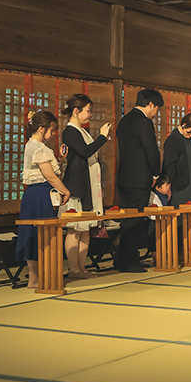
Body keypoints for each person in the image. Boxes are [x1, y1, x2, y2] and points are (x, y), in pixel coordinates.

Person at [59, 94, 111, 279]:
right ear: (76, 111)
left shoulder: (82, 131)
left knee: (86, 228)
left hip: (88, 184)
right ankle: (74, 268)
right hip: (76, 185)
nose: (90, 115)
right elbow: (86, 151)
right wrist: (103, 137)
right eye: (88, 111)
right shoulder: (70, 131)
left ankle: (82, 268)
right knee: (74, 228)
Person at [17, 111, 69, 289]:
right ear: (41, 129)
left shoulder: (31, 145)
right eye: (52, 130)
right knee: (43, 234)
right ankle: (38, 277)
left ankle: (35, 277)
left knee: (33, 234)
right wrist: (66, 191)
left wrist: (59, 160)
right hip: (40, 194)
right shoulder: (39, 148)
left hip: (33, 194)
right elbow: (50, 177)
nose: (53, 134)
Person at [116, 88, 164, 273]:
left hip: (124, 177)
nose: (156, 112)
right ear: (150, 104)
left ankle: (123, 259)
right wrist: (155, 174)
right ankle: (128, 261)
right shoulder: (144, 122)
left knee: (127, 220)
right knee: (135, 221)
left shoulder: (124, 121)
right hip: (139, 178)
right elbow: (151, 151)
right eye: (156, 108)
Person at [162, 112, 191, 206]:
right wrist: (172, 183)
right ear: (184, 125)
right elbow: (169, 166)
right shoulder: (173, 139)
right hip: (180, 186)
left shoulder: (189, 138)